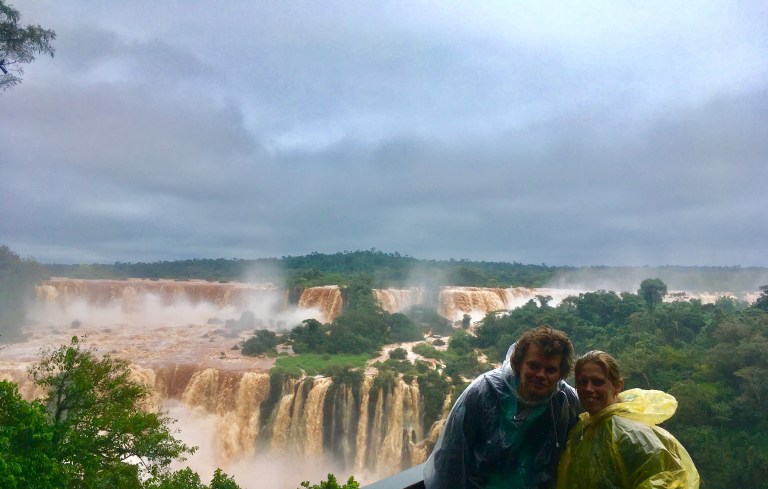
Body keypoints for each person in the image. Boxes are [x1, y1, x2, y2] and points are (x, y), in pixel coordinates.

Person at [423, 325, 581, 489]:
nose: (540, 375)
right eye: (533, 366)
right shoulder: (483, 392)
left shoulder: (565, 401)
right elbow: (450, 458)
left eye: (550, 370)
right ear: (519, 364)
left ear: (561, 374)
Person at [556, 350, 700, 489]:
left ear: (618, 386)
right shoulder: (582, 430)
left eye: (597, 382)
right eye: (582, 382)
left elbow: (666, 480)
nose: (588, 388)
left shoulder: (632, 434)